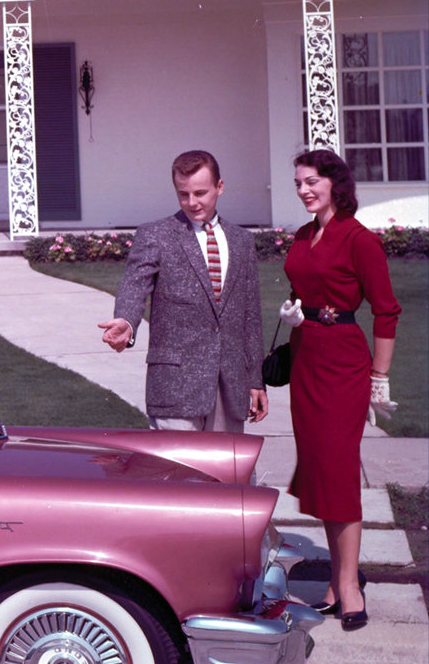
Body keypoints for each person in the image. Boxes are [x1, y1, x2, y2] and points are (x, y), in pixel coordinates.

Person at [282, 149, 399, 632]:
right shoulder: (304, 235)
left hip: (345, 364)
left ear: (335, 183)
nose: (305, 190)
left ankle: (349, 586)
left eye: (312, 182)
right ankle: (338, 578)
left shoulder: (359, 239)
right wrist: (296, 315)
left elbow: (387, 310)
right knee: (319, 471)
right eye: (298, 184)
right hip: (305, 357)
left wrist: (379, 377)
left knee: (338, 468)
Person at [98, 150, 268, 432]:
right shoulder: (157, 235)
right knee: (174, 474)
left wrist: (255, 379)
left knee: (226, 475)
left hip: (230, 387)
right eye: (183, 194)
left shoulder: (242, 241)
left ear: (220, 187)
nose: (192, 202)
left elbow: (250, 317)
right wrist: (126, 321)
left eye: (200, 193)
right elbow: (134, 285)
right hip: (175, 385)